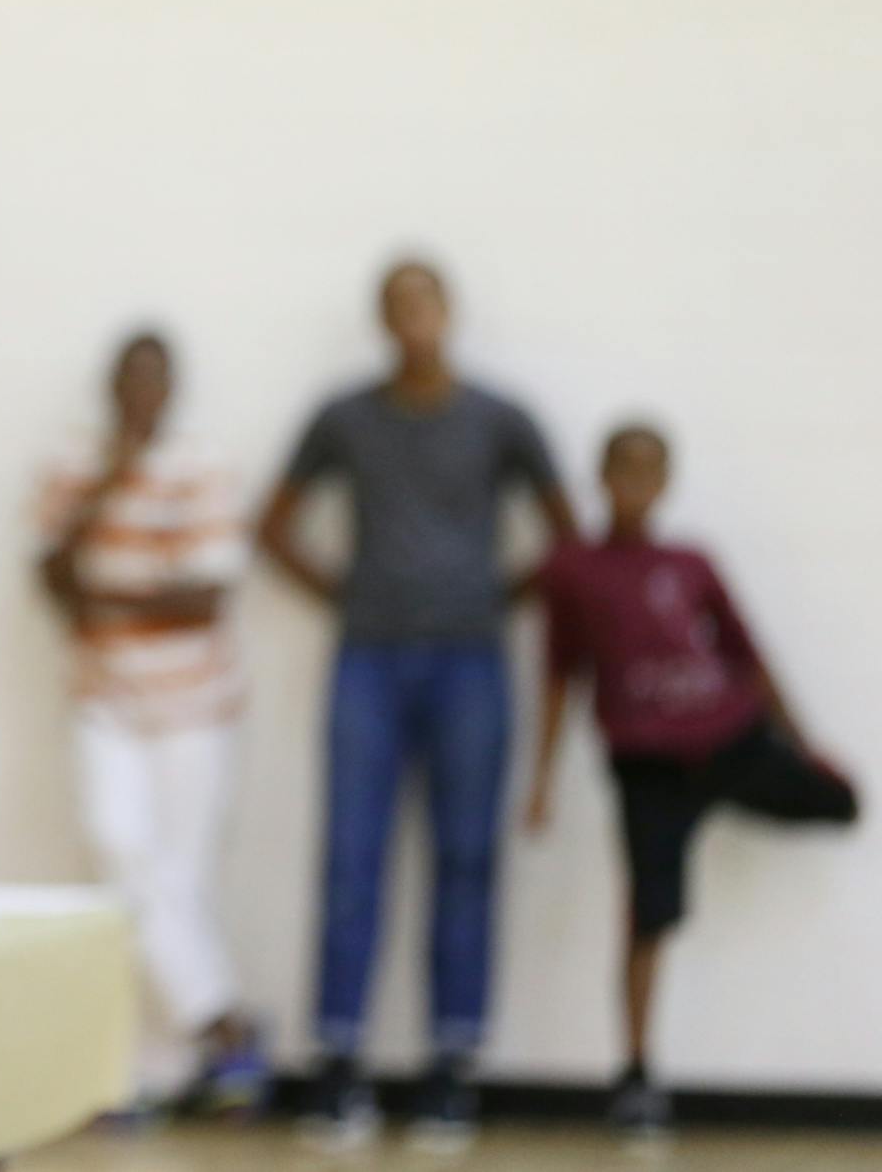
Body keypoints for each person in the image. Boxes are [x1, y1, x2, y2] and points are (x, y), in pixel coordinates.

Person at [257, 259, 576, 1148]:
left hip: (472, 660)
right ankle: (340, 1061)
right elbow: (272, 524)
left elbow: (566, 534)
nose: (414, 320)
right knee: (353, 855)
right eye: (398, 307)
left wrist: (497, 595)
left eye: (425, 302)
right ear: (382, 320)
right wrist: (343, 592)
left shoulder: (499, 418)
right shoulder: (346, 417)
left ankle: (450, 1064)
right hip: (370, 657)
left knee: (466, 855)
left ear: (450, 312)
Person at [525, 423, 857, 1140]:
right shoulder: (573, 568)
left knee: (843, 803)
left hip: (727, 738)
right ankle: (638, 1076)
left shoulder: (691, 562)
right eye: (624, 470)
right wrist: (541, 778)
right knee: (650, 915)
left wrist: (806, 747)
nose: (636, 485)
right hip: (647, 764)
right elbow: (560, 673)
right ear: (602, 474)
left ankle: (741, 792)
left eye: (651, 472)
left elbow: (747, 653)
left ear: (667, 481)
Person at [38, 332, 266, 1113]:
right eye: (128, 376)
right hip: (106, 699)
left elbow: (204, 599)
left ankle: (154, 1074)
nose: (140, 390)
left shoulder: (203, 465)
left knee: (175, 880)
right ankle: (223, 1020)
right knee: (120, 850)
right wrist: (109, 481)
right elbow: (53, 573)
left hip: (194, 707)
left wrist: (108, 602)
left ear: (172, 388)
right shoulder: (76, 463)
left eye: (154, 378)